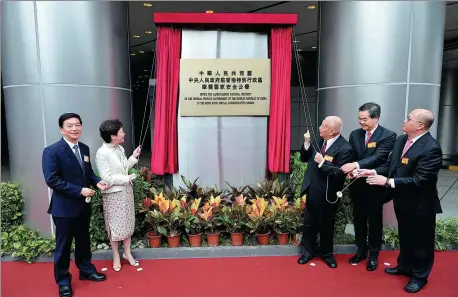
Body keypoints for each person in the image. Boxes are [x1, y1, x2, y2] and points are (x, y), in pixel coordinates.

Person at [359, 109, 442, 293]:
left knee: (421, 242)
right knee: (405, 236)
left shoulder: (431, 148)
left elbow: (421, 180)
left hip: (421, 205)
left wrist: (387, 181)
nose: (404, 121)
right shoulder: (401, 140)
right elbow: (392, 165)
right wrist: (373, 172)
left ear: (420, 126)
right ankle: (404, 266)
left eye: (409, 119)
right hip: (402, 200)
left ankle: (419, 277)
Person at [42, 113, 109, 297]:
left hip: (82, 206)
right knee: (63, 246)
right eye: (69, 125)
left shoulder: (85, 148)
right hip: (63, 208)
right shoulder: (52, 151)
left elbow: (87, 174)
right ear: (61, 129)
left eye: (77, 124)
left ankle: (86, 270)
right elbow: (52, 180)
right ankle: (63, 280)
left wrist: (97, 182)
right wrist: (79, 190)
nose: (74, 128)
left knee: (83, 241)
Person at [341, 102, 396, 271]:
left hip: (374, 184)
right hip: (357, 185)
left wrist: (356, 166)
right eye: (359, 119)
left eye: (364, 119)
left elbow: (381, 159)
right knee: (358, 220)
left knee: (374, 221)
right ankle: (360, 250)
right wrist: (349, 169)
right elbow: (350, 155)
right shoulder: (355, 134)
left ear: (376, 117)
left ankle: (373, 254)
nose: (361, 122)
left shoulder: (388, 135)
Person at [297, 116, 354, 268]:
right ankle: (307, 252)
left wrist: (322, 162)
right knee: (309, 222)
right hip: (313, 187)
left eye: (323, 126)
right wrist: (307, 143)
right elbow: (304, 157)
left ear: (333, 131)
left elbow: (339, 172)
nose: (320, 128)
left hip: (329, 192)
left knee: (327, 224)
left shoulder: (345, 148)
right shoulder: (319, 140)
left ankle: (327, 254)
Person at [95, 119, 142, 272]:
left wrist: (134, 157)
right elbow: (107, 177)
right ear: (112, 136)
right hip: (113, 194)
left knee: (127, 222)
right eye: (121, 131)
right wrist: (127, 179)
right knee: (114, 227)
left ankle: (127, 253)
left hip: (126, 192)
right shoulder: (102, 153)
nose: (124, 133)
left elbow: (124, 168)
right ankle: (116, 255)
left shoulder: (120, 149)